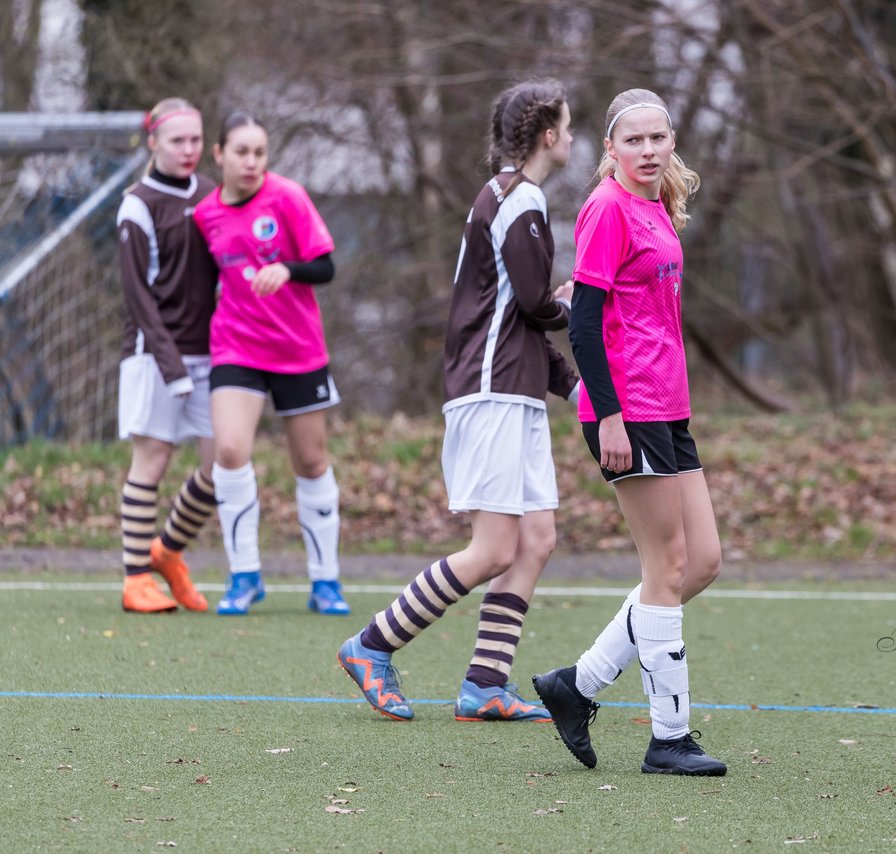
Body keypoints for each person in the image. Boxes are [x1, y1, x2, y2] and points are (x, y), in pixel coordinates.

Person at [338, 79, 577, 723]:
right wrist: (579, 301)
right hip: (490, 391)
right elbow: (535, 306)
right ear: (548, 135)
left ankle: (484, 684)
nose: (574, 137)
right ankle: (371, 646)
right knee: (495, 548)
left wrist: (572, 385)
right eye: (569, 125)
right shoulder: (518, 199)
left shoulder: (512, 199)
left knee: (537, 538)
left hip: (513, 391)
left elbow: (515, 317)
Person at [531, 88, 726, 776]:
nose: (648, 150)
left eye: (658, 138)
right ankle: (668, 737)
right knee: (667, 568)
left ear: (672, 142)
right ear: (609, 149)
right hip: (627, 409)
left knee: (700, 562)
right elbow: (583, 323)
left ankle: (576, 686)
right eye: (634, 141)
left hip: (668, 407)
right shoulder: (607, 208)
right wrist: (608, 412)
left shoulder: (655, 204)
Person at [193, 112, 347, 616]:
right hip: (236, 347)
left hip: (298, 349)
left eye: (260, 152)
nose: (252, 161)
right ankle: (244, 575)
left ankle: (325, 581)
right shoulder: (205, 215)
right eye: (241, 151)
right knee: (230, 450)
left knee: (310, 461)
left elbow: (325, 266)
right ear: (219, 155)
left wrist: (286, 269)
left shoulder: (287, 197)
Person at [116, 97, 220, 614]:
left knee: (223, 462)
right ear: (153, 142)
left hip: (211, 355)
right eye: (177, 140)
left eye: (196, 140)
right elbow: (138, 297)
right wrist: (171, 364)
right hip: (154, 355)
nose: (188, 150)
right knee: (152, 461)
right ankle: (136, 579)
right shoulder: (137, 203)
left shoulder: (212, 194)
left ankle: (167, 552)